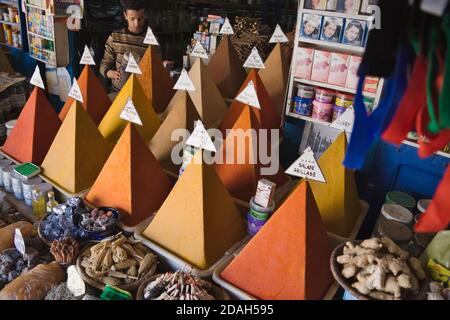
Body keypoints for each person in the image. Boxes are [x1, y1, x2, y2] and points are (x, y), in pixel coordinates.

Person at [100, 0, 148, 92]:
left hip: (142, 93)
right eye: (132, 19)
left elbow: (156, 69)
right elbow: (104, 66)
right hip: (118, 93)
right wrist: (112, 74)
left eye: (140, 19)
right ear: (125, 15)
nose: (136, 23)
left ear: (145, 15)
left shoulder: (151, 41)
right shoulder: (115, 37)